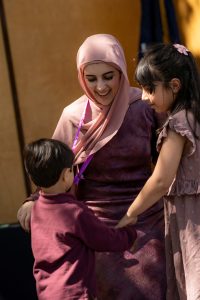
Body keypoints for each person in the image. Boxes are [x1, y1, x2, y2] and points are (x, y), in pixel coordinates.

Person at [17, 34, 166, 299]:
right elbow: (52, 166)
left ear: (121, 70)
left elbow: (171, 157)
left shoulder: (145, 105)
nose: (101, 87)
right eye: (91, 78)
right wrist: (33, 200)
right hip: (94, 225)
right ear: (81, 77)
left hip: (147, 217)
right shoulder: (73, 116)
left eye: (109, 76)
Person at [117, 43, 200, 300]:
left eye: (149, 89)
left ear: (175, 86)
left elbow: (161, 180)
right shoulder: (195, 116)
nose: (143, 97)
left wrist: (131, 212)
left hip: (192, 219)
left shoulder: (178, 124)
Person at [24, 138, 137, 300]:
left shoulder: (36, 211)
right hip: (75, 293)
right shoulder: (74, 212)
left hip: (47, 293)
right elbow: (104, 239)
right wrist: (129, 234)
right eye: (71, 170)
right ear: (65, 175)